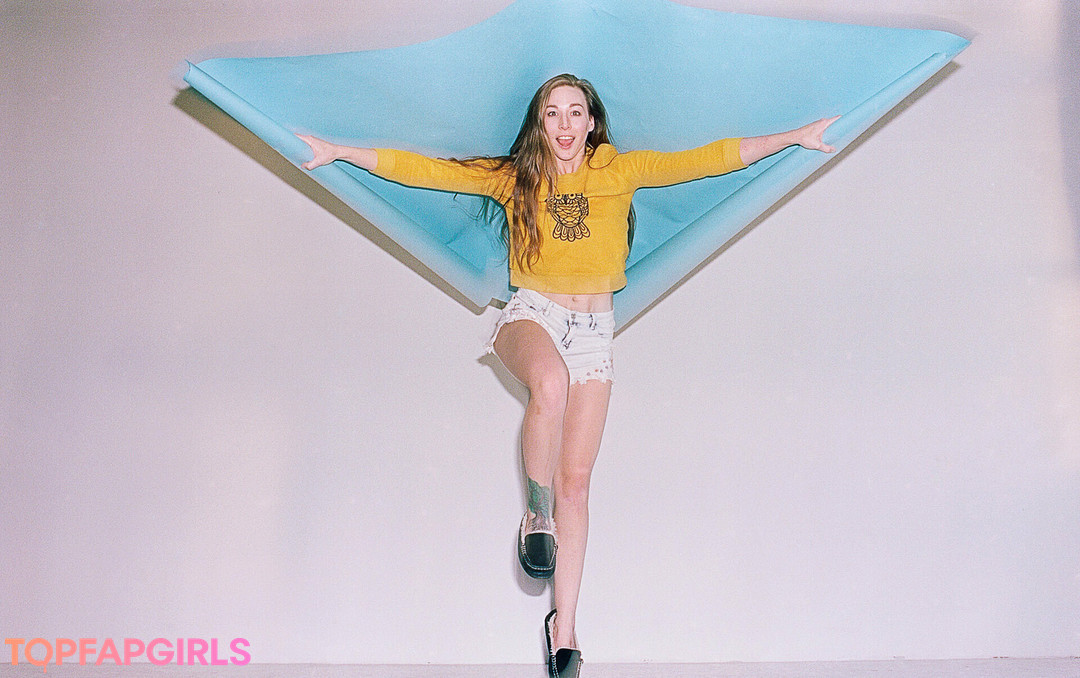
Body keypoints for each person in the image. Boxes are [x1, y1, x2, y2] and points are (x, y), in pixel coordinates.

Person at [298, 73, 837, 678]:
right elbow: (429, 171)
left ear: (591, 122)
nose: (563, 125)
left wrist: (794, 137)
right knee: (549, 386)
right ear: (540, 123)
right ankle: (536, 514)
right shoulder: (517, 177)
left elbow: (708, 159)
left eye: (574, 113)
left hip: (595, 334)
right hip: (534, 314)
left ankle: (566, 630)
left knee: (577, 484)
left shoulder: (619, 172)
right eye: (551, 113)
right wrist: (340, 151)